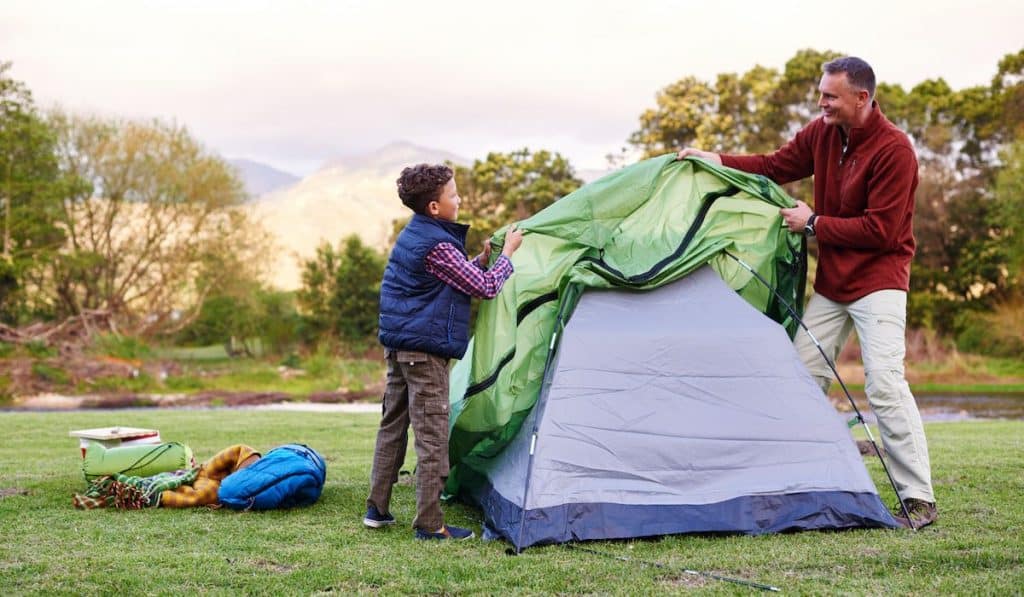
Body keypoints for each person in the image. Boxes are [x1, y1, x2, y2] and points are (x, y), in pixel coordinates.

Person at [676, 56, 936, 529]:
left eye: (830, 96)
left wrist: (813, 222)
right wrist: (716, 161)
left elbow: (881, 230)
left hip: (880, 282)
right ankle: (795, 478)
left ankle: (918, 498)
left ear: (862, 97)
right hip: (833, 285)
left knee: (883, 384)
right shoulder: (821, 133)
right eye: (821, 94)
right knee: (797, 376)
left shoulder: (895, 150)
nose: (821, 103)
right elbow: (775, 165)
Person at [365, 163, 524, 540]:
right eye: (453, 195)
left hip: (399, 347)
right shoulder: (437, 242)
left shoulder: (418, 234)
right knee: (432, 434)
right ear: (435, 207)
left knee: (393, 426)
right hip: (423, 354)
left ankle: (377, 508)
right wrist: (508, 258)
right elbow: (485, 288)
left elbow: (455, 278)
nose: (459, 199)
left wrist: (484, 260)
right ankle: (430, 524)